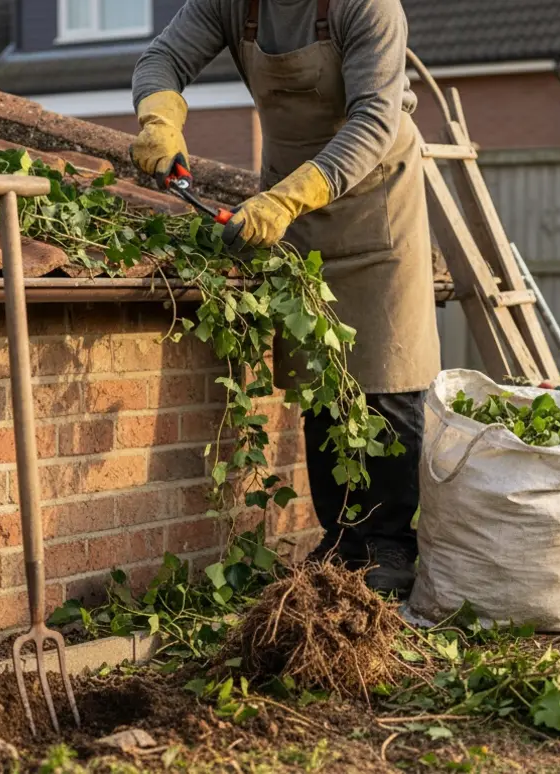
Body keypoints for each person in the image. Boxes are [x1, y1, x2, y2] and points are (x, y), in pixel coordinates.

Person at [131, 0, 440, 594]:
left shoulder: (367, 7)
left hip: (374, 200)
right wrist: (158, 117)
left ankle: (392, 547)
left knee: (390, 376)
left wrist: (287, 199)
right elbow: (163, 57)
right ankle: (343, 539)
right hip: (290, 208)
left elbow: (375, 119)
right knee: (321, 382)